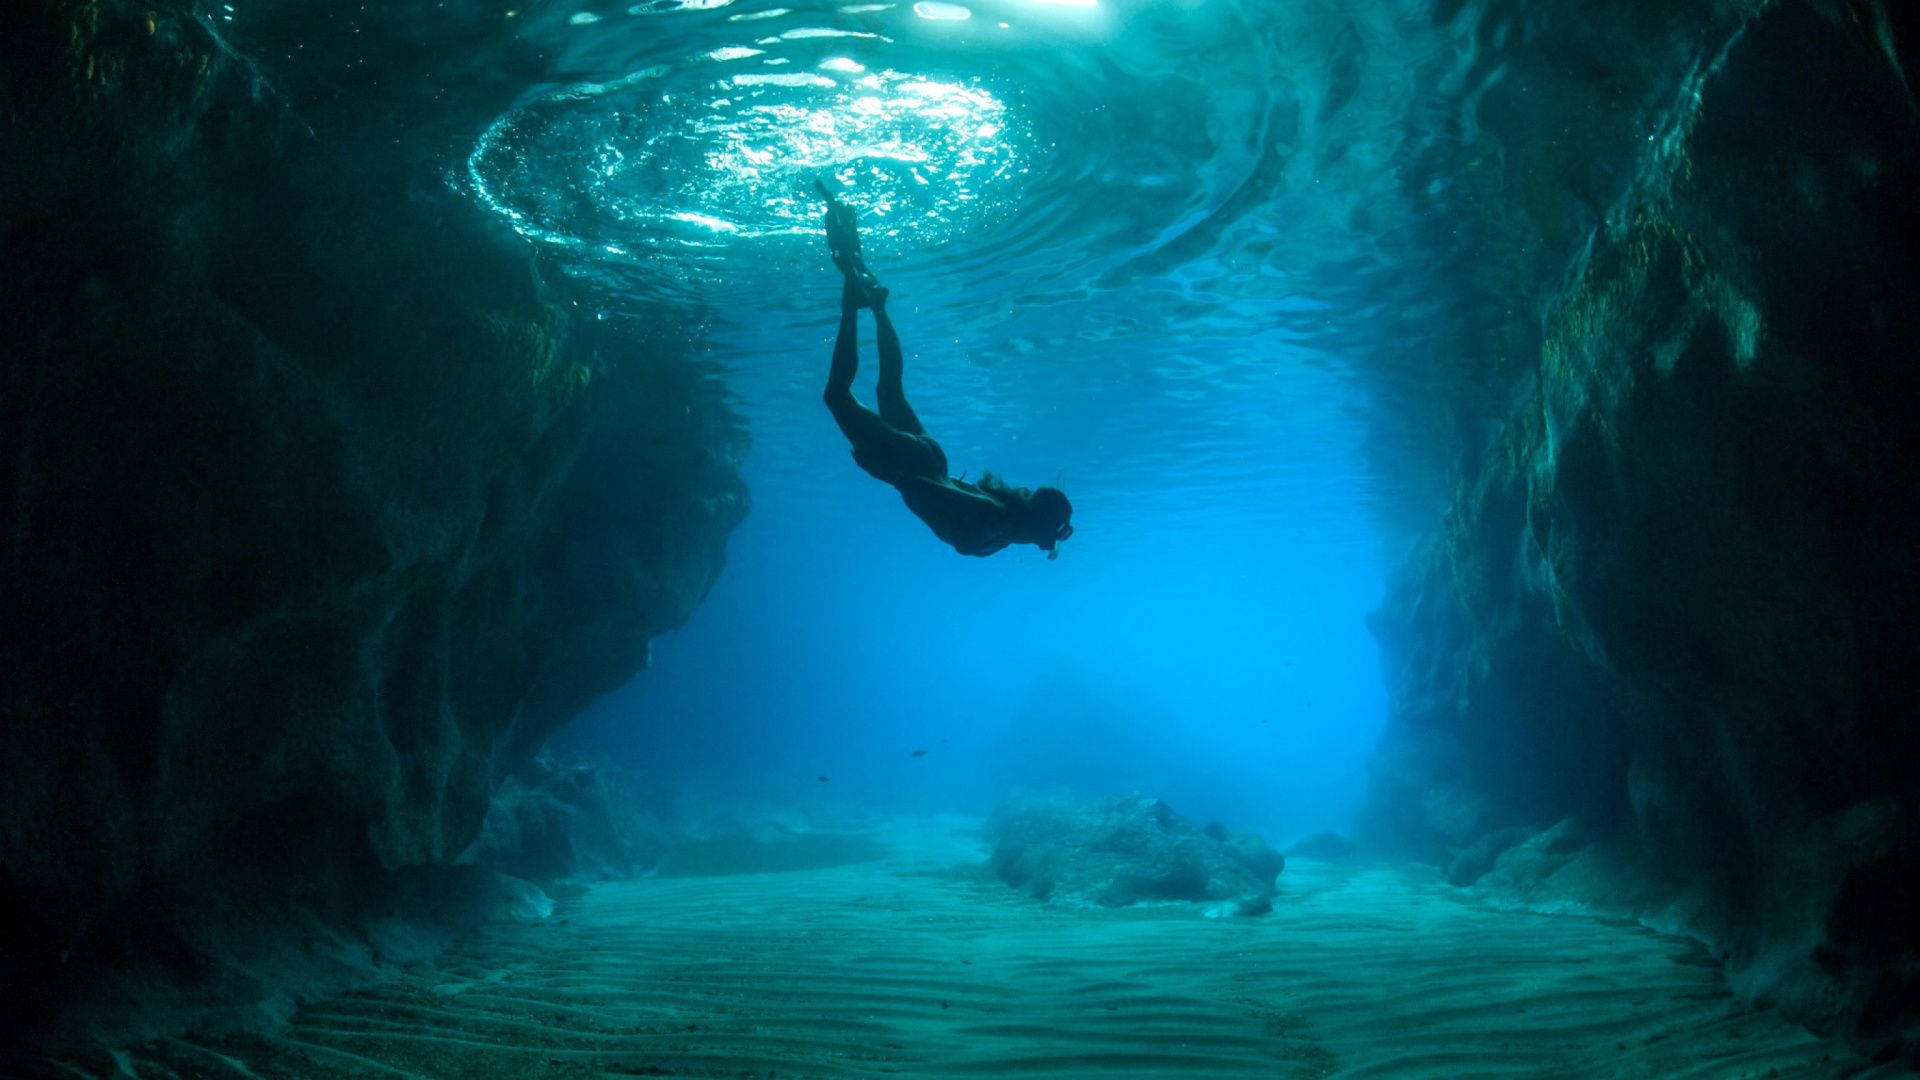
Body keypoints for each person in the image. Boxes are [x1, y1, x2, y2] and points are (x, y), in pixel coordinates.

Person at [817, 182, 1074, 559]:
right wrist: (882, 472)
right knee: (836, 396)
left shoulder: (998, 521)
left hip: (933, 457)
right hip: (914, 466)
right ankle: (852, 300)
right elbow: (923, 489)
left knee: (890, 389)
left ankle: (878, 307)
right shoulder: (994, 525)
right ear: (1038, 536)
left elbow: (937, 487)